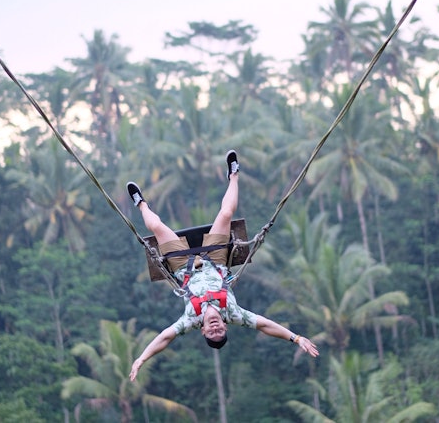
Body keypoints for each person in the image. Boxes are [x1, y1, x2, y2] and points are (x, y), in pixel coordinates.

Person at [127, 150, 318, 382]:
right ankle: (234, 175)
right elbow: (266, 325)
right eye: (220, 332)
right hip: (215, 259)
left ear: (204, 331)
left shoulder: (191, 320)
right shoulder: (233, 314)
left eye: (212, 332)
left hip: (181, 265)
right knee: (226, 213)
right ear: (226, 328)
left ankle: (141, 204)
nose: (216, 328)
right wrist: (295, 338)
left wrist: (142, 358)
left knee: (156, 229)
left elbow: (164, 338)